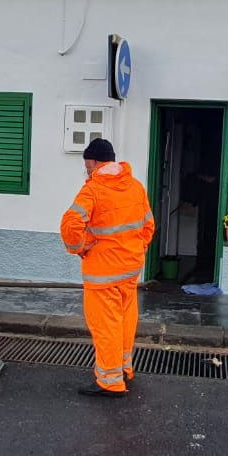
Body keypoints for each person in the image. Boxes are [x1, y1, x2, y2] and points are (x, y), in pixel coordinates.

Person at [60, 138, 155, 398]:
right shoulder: (135, 186)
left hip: (102, 272)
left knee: (106, 327)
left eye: (86, 165)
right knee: (125, 321)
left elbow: (70, 225)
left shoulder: (93, 189)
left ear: (93, 162)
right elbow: (148, 225)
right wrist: (138, 248)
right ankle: (124, 368)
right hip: (130, 269)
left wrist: (80, 247)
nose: (86, 170)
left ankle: (110, 382)